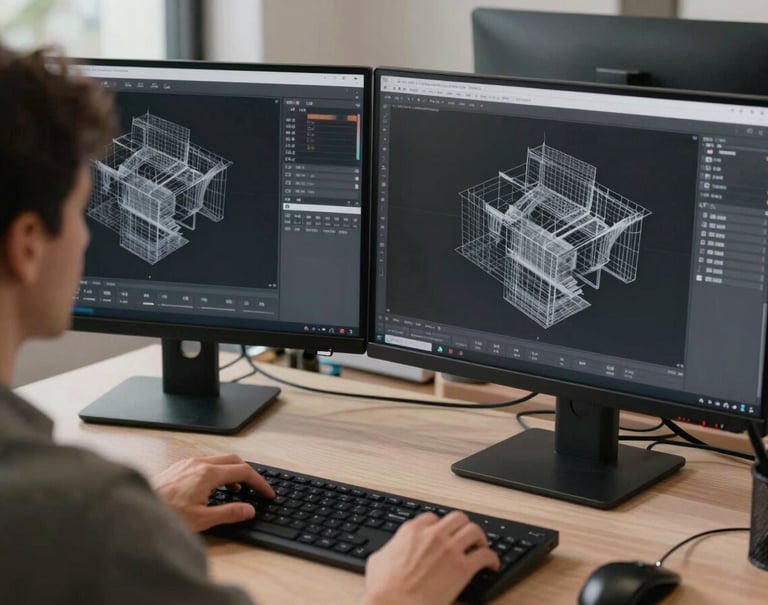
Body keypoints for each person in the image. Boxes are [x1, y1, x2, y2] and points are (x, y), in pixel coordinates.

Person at [0, 44, 499, 604]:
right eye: (79, 213)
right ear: (27, 246)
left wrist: (139, 521)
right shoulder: (84, 512)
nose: (88, 237)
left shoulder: (73, 516)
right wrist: (401, 597)